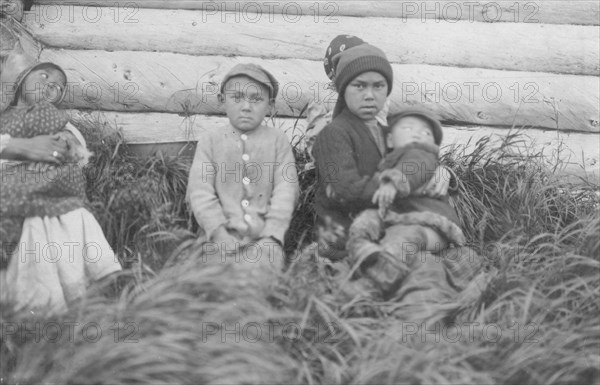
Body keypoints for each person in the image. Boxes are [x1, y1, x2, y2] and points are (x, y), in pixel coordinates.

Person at [0, 62, 121, 314]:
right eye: (43, 76)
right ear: (22, 78)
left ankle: (57, 297)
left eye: (56, 87)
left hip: (42, 185)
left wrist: (60, 148)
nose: (48, 86)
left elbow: (77, 150)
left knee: (69, 216)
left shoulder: (58, 123)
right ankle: (36, 299)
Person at [186, 63, 299, 281]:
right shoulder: (211, 141)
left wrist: (272, 236)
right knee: (212, 287)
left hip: (263, 240)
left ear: (270, 105)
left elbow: (286, 191)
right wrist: (218, 233)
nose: (246, 106)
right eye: (237, 98)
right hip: (217, 239)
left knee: (260, 281)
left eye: (256, 99)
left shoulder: (277, 141)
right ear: (222, 100)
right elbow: (199, 192)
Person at [347, 110, 466, 298]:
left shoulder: (420, 154)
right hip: (397, 217)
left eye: (427, 133)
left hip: (430, 224)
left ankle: (375, 284)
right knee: (365, 220)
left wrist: (394, 182)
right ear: (389, 141)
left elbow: (414, 168)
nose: (418, 134)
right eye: (408, 128)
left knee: (405, 237)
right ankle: (361, 248)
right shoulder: (387, 162)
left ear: (433, 145)